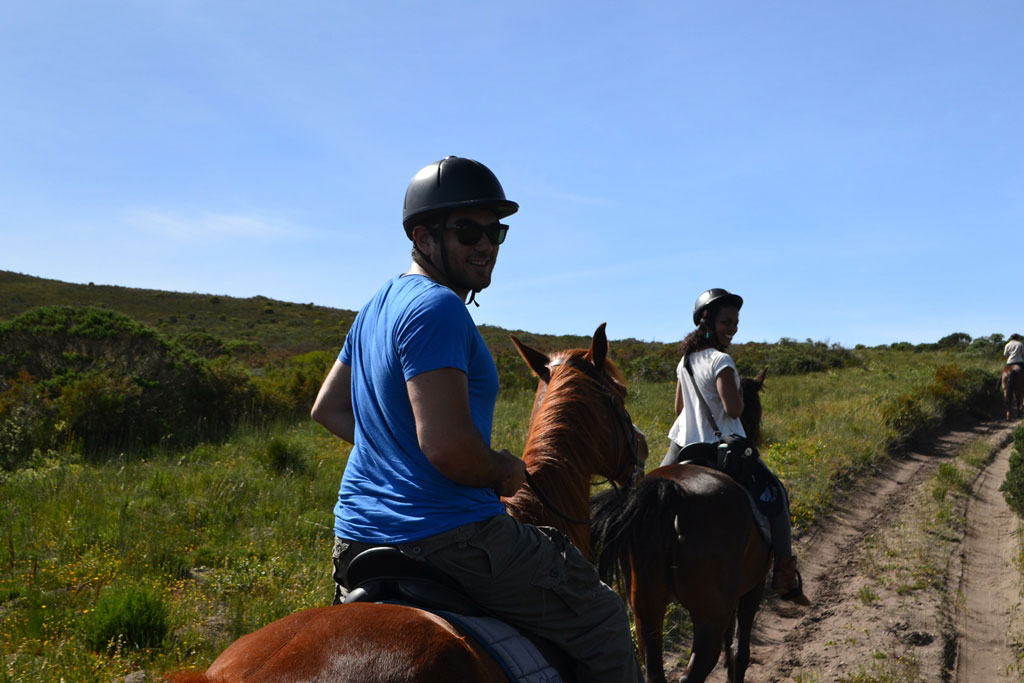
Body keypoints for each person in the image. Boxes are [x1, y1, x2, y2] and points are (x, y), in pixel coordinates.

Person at [311, 156, 642, 682]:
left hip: (357, 538)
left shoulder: (375, 306)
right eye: (468, 230)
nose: (485, 245)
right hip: (449, 534)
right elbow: (448, 450)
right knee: (602, 615)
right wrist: (501, 469)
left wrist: (393, 452)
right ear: (421, 235)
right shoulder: (439, 307)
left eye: (496, 231)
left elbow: (327, 408)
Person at [660, 288, 811, 606]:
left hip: (683, 445)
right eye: (727, 321)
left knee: (650, 495)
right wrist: (740, 395)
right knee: (776, 495)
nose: (733, 327)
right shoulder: (722, 360)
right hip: (720, 446)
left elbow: (678, 409)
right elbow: (733, 410)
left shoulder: (685, 361)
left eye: (736, 321)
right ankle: (784, 573)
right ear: (708, 322)